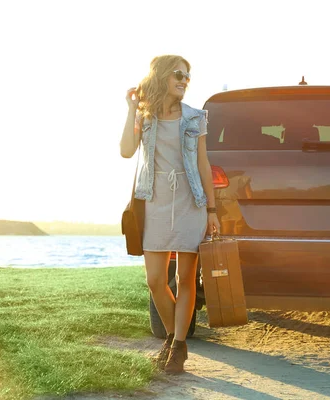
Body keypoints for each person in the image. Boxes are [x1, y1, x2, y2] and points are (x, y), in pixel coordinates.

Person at [120, 55, 220, 374]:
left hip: (191, 202)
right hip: (156, 201)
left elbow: (203, 164)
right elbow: (125, 150)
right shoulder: (145, 117)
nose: (184, 80)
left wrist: (213, 209)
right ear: (162, 75)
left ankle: (175, 347)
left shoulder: (195, 117)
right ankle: (175, 339)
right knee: (154, 280)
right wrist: (131, 109)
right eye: (178, 74)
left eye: (188, 76)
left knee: (185, 279)